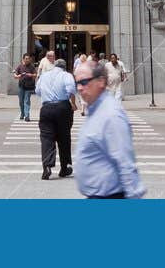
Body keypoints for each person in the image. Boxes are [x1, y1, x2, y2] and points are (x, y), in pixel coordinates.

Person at [72, 58, 145, 199]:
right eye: (77, 83)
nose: (79, 88)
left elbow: (125, 162)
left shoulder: (111, 115)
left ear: (100, 81)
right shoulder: (95, 110)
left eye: (84, 82)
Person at [36, 59, 76, 180]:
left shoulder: (44, 76)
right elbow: (71, 90)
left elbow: (37, 91)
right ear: (64, 67)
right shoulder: (66, 75)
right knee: (64, 137)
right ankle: (65, 167)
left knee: (47, 138)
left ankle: (47, 167)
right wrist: (73, 104)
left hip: (46, 108)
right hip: (62, 107)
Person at [14, 53, 36, 122]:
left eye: (28, 59)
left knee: (26, 101)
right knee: (21, 101)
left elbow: (35, 75)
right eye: (26, 58)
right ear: (23, 59)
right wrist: (18, 76)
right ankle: (22, 113)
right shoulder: (20, 66)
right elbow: (15, 75)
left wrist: (31, 75)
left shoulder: (32, 67)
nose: (27, 60)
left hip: (29, 87)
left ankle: (27, 116)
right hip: (21, 86)